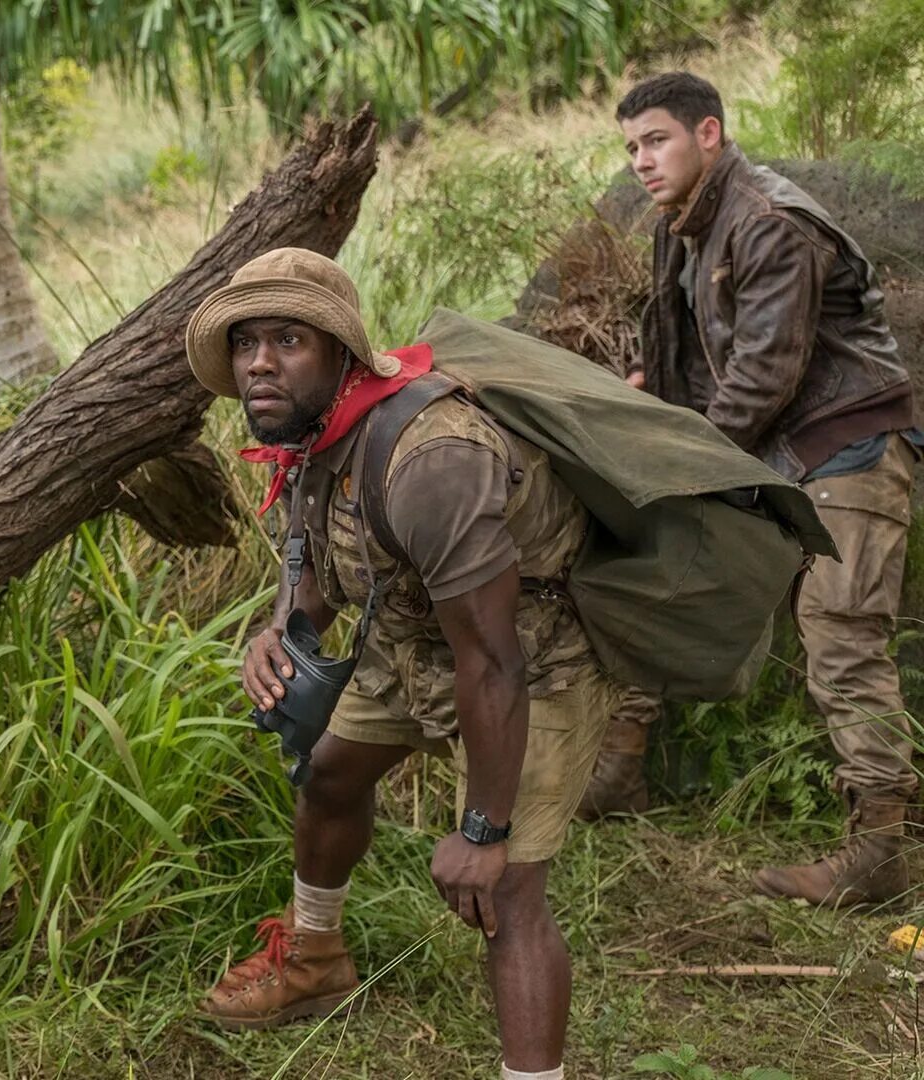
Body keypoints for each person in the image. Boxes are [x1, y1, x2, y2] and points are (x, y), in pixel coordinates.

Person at [190, 248, 615, 1080]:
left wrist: (482, 832)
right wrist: (278, 632)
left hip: (531, 657)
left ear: (342, 354)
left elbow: (492, 661)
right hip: (413, 641)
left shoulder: (432, 459)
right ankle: (314, 959)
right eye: (246, 343)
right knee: (329, 776)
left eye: (288, 339)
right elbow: (317, 573)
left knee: (505, 894)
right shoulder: (313, 431)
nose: (259, 364)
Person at [596, 71, 917, 906]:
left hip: (844, 445)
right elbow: (691, 361)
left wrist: (675, 462)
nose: (641, 160)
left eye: (656, 139)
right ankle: (618, 769)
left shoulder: (767, 220)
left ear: (709, 134)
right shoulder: (687, 226)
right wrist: (653, 408)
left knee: (842, 633)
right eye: (630, 146)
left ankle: (881, 848)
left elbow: (765, 375)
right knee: (669, 578)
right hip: (772, 454)